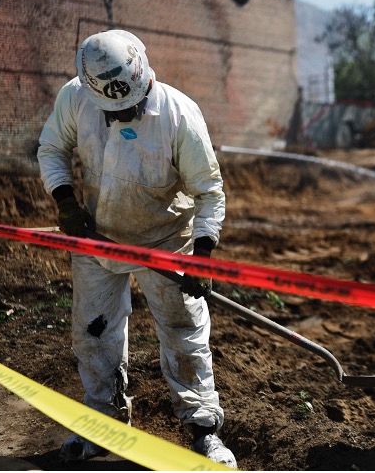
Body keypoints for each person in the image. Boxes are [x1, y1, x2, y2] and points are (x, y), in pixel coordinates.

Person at [36, 30, 235, 468]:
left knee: (183, 333)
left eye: (131, 104)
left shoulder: (179, 114)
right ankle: (103, 423)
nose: (125, 113)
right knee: (94, 331)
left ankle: (203, 430)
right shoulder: (76, 98)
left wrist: (201, 258)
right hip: (97, 237)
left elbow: (208, 191)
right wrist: (65, 202)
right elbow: (51, 148)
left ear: (144, 78)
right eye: (115, 109)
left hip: (166, 239)